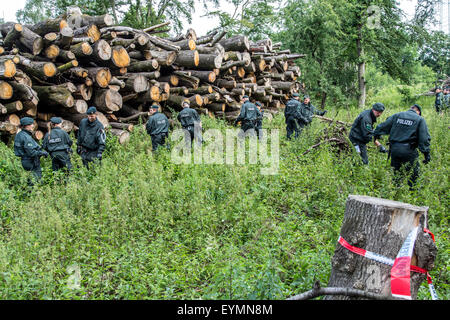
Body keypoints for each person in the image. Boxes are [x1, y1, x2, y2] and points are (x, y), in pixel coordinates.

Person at [373, 104, 431, 189]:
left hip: (394, 150)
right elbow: (424, 138)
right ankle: (412, 193)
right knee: (414, 174)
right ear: (418, 111)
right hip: (408, 150)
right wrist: (426, 154)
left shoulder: (397, 115)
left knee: (396, 174)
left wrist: (376, 135)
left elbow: (382, 126)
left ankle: (396, 192)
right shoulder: (419, 119)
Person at [13, 117, 48, 183]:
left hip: (25, 161)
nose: (33, 126)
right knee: (36, 181)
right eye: (31, 124)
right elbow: (31, 153)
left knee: (31, 179)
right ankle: (34, 192)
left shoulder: (20, 134)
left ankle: (29, 191)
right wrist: (43, 153)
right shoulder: (26, 137)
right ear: (26, 125)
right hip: (31, 161)